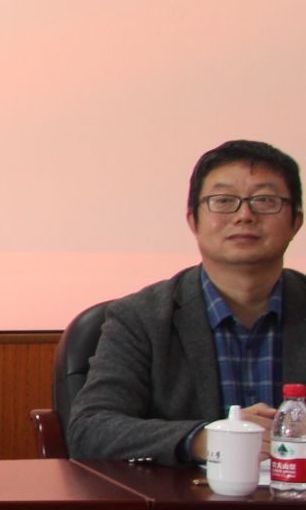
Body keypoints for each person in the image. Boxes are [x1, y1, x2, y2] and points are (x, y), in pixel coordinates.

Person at [69, 138, 306, 463]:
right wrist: (207, 438)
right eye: (224, 201)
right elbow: (90, 429)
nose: (245, 215)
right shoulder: (140, 317)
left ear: (296, 222)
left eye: (265, 200)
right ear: (193, 221)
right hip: (187, 495)